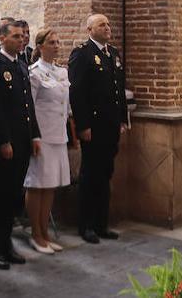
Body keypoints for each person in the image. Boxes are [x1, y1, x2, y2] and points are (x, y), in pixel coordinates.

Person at [0, 20, 40, 268]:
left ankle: (6, 244)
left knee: (13, 197)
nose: (21, 39)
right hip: (5, 144)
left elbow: (28, 105)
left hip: (23, 141)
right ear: (2, 38)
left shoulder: (22, 66)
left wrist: (35, 135)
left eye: (22, 36)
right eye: (15, 36)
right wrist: (3, 141)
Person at [68, 13, 127, 244]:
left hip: (111, 126)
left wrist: (123, 118)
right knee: (90, 175)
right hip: (92, 127)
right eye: (102, 24)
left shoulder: (113, 53)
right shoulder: (82, 54)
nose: (107, 27)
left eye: (108, 24)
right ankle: (86, 226)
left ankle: (102, 224)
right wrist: (83, 125)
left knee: (106, 174)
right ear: (89, 29)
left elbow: (118, 89)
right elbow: (77, 93)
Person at [25, 28, 70, 254]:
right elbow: (29, 107)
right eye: (51, 42)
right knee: (37, 185)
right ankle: (36, 234)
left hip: (58, 135)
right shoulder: (34, 72)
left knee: (50, 184)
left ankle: (45, 232)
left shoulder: (62, 73)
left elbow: (65, 106)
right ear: (40, 46)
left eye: (58, 42)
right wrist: (33, 135)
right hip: (41, 136)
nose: (56, 46)